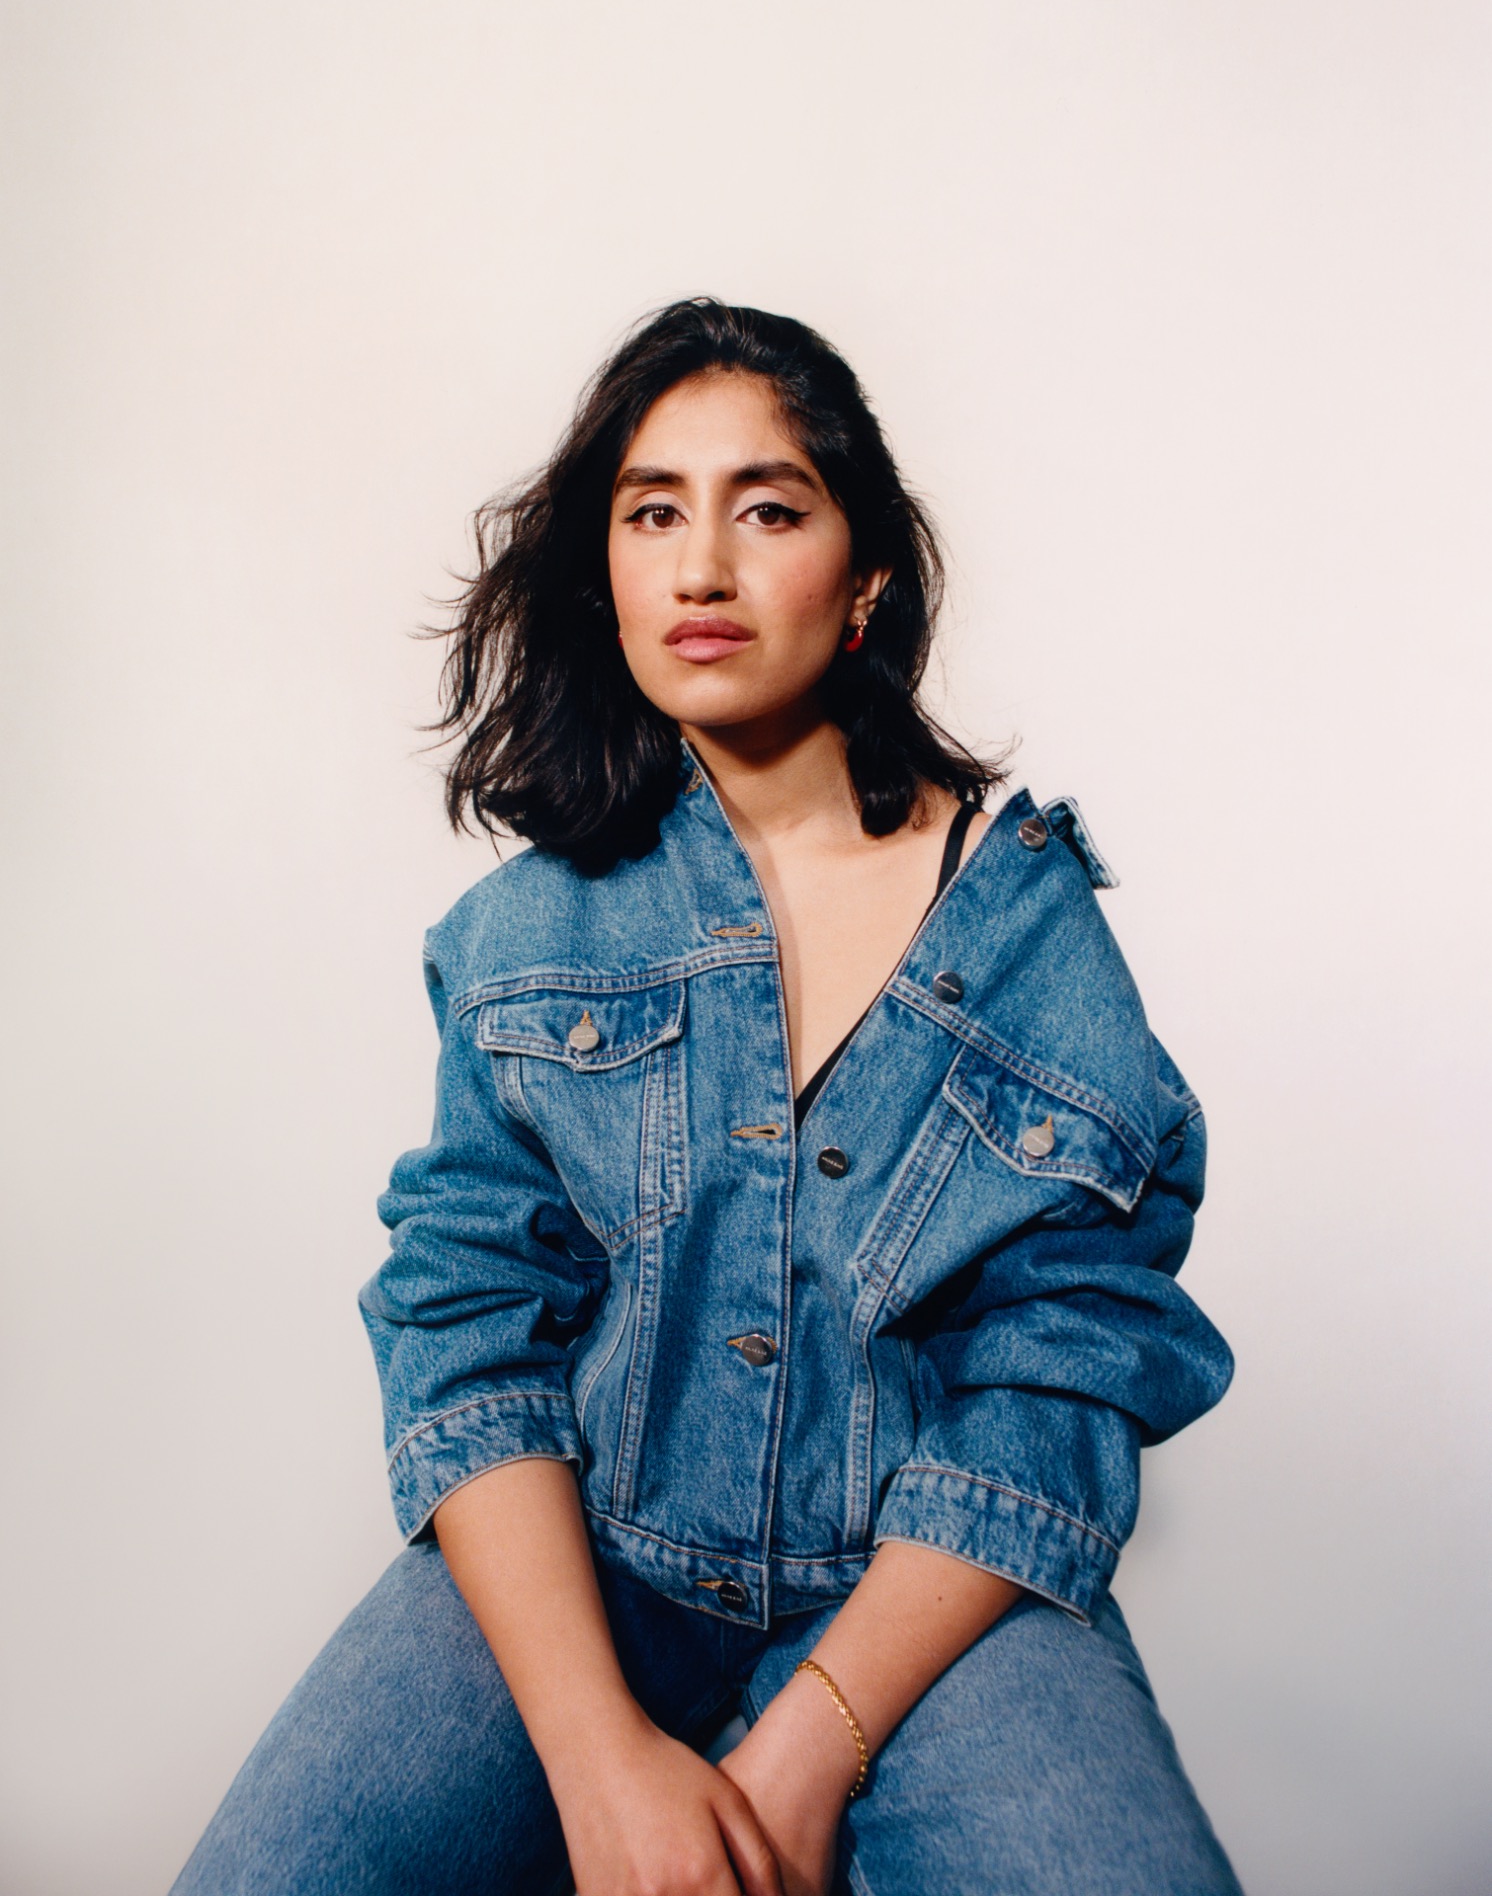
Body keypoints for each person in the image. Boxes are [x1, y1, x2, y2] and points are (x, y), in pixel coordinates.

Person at [172, 299, 1242, 1896]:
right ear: (604, 569)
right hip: (589, 1553)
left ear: (866, 576)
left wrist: (810, 1746)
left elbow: (1068, 1362)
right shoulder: (529, 928)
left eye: (770, 510)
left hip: (922, 1591)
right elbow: (469, 1326)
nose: (702, 569)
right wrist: (597, 1759)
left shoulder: (1025, 929)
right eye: (654, 512)